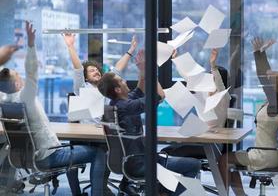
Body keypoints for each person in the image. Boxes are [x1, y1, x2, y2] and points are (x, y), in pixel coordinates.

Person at [0, 21, 107, 196]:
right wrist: (31, 45)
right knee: (98, 153)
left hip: (30, 157)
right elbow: (33, 70)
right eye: (19, 75)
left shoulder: (4, 101)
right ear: (18, 83)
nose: (23, 76)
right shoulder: (25, 97)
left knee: (72, 147)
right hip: (48, 157)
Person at [98, 49, 200, 196]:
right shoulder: (126, 107)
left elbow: (140, 88)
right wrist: (150, 69)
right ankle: (164, 193)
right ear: (118, 89)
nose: (125, 81)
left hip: (134, 160)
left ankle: (159, 191)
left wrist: (143, 69)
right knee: (194, 165)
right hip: (141, 163)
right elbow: (159, 95)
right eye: (121, 81)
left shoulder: (118, 104)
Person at [63, 33, 137, 195]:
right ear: (85, 77)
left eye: (97, 70)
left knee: (131, 147)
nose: (96, 72)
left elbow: (118, 68)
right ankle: (92, 191)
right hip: (87, 137)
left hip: (105, 134)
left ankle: (110, 187)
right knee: (105, 151)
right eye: (91, 71)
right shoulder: (82, 88)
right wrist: (70, 46)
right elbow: (77, 69)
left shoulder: (107, 89)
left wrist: (131, 50)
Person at [218, 37, 278, 196]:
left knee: (224, 160)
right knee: (229, 163)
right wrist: (261, 54)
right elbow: (266, 75)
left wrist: (258, 54)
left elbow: (262, 76)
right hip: (269, 153)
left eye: (272, 81)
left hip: (264, 155)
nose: (268, 80)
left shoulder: (275, 104)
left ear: (275, 88)